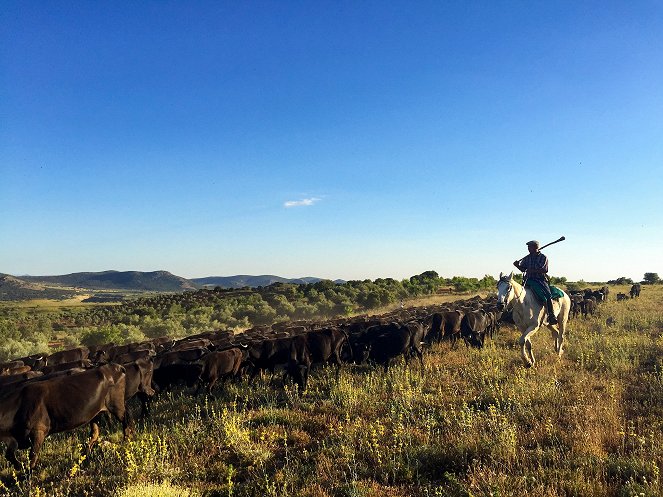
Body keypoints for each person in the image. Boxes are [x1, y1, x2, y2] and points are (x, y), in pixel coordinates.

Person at [513, 240, 558, 325]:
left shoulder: (543, 257)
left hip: (539, 280)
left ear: (536, 247)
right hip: (528, 280)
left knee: (547, 295)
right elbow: (523, 269)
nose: (528, 249)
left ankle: (551, 316)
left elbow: (545, 270)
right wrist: (517, 265)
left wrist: (532, 270)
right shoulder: (527, 258)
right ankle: (512, 314)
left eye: (530, 247)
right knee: (516, 294)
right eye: (528, 247)